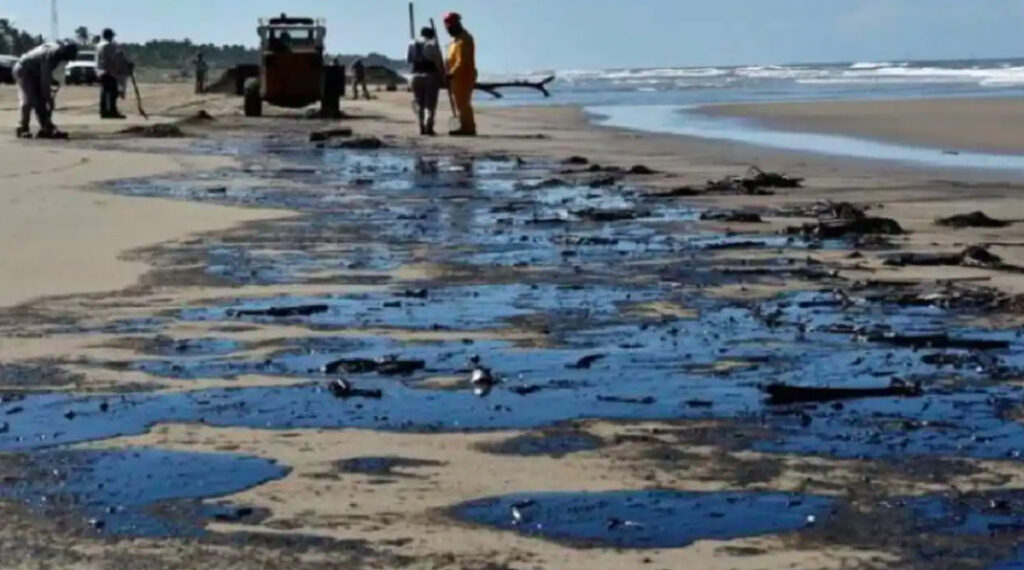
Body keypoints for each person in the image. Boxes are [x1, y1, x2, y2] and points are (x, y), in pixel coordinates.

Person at [13, 41, 78, 139]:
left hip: (35, 72)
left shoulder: (57, 54)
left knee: (41, 102)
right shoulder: (49, 55)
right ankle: (22, 127)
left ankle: (46, 127)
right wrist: (49, 99)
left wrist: (50, 85)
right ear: (64, 52)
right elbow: (44, 81)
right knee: (28, 99)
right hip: (23, 70)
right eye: (67, 58)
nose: (67, 61)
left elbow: (45, 74)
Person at [443, 12, 477, 136]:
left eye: (450, 28)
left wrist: (451, 73)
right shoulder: (455, 41)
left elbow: (462, 61)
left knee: (463, 102)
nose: (448, 31)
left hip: (464, 76)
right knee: (459, 102)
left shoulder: (464, 40)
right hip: (456, 77)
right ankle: (464, 125)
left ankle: (468, 128)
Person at [407, 27, 445, 136]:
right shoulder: (431, 45)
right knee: (430, 104)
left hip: (415, 75)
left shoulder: (412, 44)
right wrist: (443, 77)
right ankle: (429, 125)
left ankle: (421, 126)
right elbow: (438, 62)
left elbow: (408, 60)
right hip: (430, 74)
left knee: (419, 103)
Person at [96, 28, 133, 119]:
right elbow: (115, 58)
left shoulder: (99, 45)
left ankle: (104, 111)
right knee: (112, 92)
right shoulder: (108, 46)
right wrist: (126, 64)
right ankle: (112, 111)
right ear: (109, 36)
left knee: (104, 92)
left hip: (100, 71)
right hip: (109, 71)